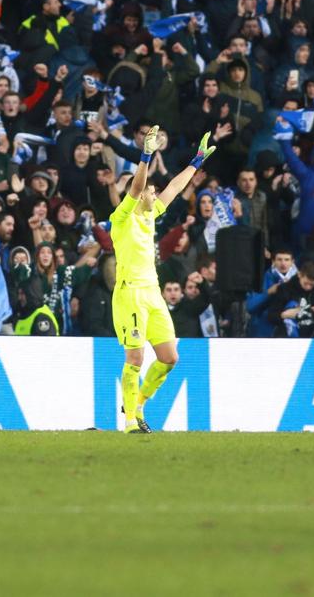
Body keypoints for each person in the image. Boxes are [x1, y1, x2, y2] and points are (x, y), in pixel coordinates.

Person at [110, 129, 217, 432]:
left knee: (169, 358)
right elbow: (136, 189)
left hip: (152, 295)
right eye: (149, 190)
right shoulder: (122, 218)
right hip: (129, 294)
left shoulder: (149, 214)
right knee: (135, 357)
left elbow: (174, 187)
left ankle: (139, 403)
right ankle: (130, 420)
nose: (155, 194)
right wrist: (145, 155)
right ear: (138, 193)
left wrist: (196, 162)